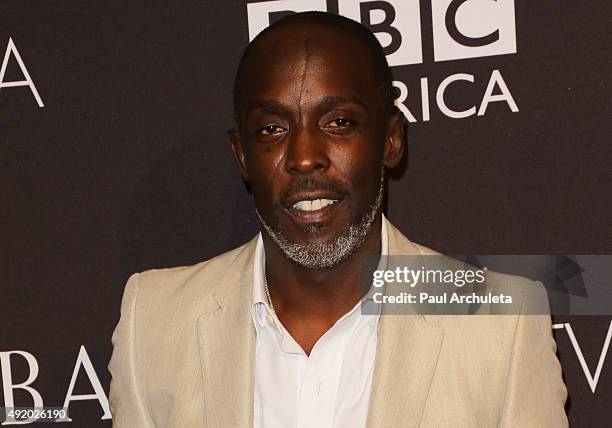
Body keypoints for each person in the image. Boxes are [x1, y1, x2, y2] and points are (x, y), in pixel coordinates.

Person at [108, 11, 567, 427]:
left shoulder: (499, 323)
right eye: (272, 128)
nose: (305, 158)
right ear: (242, 156)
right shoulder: (154, 319)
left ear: (390, 140)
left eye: (339, 122)